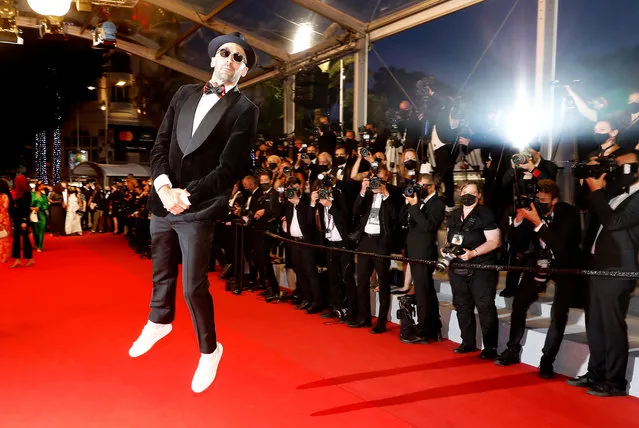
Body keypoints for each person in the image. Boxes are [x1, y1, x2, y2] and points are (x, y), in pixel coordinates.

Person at [127, 32, 259, 393]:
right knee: (161, 273)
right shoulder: (183, 94)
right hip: (164, 199)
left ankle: (209, 350)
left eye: (238, 58)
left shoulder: (245, 109)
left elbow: (228, 167)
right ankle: (158, 322)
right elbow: (160, 146)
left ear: (243, 71)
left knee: (193, 287)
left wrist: (187, 194)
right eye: (225, 53)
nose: (230, 60)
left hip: (198, 206)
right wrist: (164, 188)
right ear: (213, 59)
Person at [494, 180, 583, 379]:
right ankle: (512, 350)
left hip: (564, 265)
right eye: (538, 200)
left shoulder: (567, 213)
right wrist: (518, 221)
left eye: (545, 202)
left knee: (559, 312)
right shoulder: (531, 210)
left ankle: (547, 361)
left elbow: (560, 246)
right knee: (519, 302)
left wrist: (536, 221)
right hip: (539, 262)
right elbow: (517, 243)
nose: (540, 205)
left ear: (555, 199)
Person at [567, 149, 639, 397]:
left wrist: (597, 191)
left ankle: (615, 382)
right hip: (599, 266)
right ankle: (596, 373)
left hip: (618, 269)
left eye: (622, 166)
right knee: (595, 325)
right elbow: (587, 204)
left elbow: (615, 223)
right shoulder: (618, 194)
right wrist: (593, 183)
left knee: (611, 326)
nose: (617, 171)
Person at [445, 182, 501, 358]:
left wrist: (473, 253)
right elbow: (450, 239)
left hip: (481, 267)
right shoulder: (454, 214)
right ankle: (467, 342)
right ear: (460, 194)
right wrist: (446, 250)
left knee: (485, 306)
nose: (468, 195)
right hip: (458, 267)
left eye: (472, 193)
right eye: (465, 192)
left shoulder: (485, 213)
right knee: (462, 305)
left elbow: (494, 241)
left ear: (479, 196)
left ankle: (490, 347)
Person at [399, 173, 445, 343]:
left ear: (432, 186)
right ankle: (433, 327)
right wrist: (408, 204)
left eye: (423, 185)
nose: (420, 189)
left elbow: (428, 226)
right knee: (427, 291)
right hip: (414, 251)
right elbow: (402, 221)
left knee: (422, 292)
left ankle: (423, 330)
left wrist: (414, 206)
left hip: (424, 253)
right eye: (419, 185)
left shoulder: (437, 204)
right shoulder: (418, 202)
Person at [10, 175, 34, 268]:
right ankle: (17, 259)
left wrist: (24, 220)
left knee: (25, 238)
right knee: (16, 239)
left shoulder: (27, 193)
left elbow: (26, 208)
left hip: (23, 218)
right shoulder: (16, 192)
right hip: (17, 218)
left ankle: (30, 258)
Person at [30, 181, 49, 252]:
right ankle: (36, 243)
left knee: (41, 230)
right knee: (35, 231)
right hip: (33, 214)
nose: (43, 186)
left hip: (41, 214)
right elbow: (29, 203)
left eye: (43, 185)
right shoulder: (32, 194)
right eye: (42, 185)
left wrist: (40, 208)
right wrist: (32, 208)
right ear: (38, 186)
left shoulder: (44, 196)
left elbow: (46, 205)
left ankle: (40, 246)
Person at [0, 178, 12, 263]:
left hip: (3, 218)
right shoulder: (5, 196)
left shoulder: (4, 196)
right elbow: (5, 208)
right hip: (4, 218)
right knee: (4, 238)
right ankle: (4, 257)